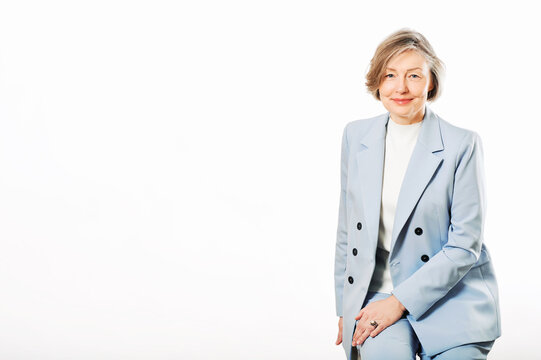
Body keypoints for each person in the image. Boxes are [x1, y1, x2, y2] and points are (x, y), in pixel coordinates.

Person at [333, 28, 501, 360]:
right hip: (377, 293)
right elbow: (347, 229)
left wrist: (400, 302)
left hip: (453, 297)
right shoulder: (356, 135)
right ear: (377, 82)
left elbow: (465, 245)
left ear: (431, 83)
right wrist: (346, 306)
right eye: (390, 75)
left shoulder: (462, 144)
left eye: (414, 75)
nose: (401, 87)